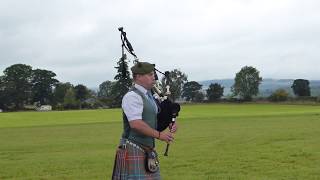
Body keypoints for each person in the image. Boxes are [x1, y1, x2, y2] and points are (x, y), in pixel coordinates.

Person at [112, 62, 177, 180]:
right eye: (150, 74)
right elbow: (136, 124)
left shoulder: (149, 96)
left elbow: (153, 120)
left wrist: (169, 122)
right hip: (133, 147)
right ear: (138, 77)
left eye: (153, 74)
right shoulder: (132, 96)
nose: (154, 77)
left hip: (147, 149)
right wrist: (159, 135)